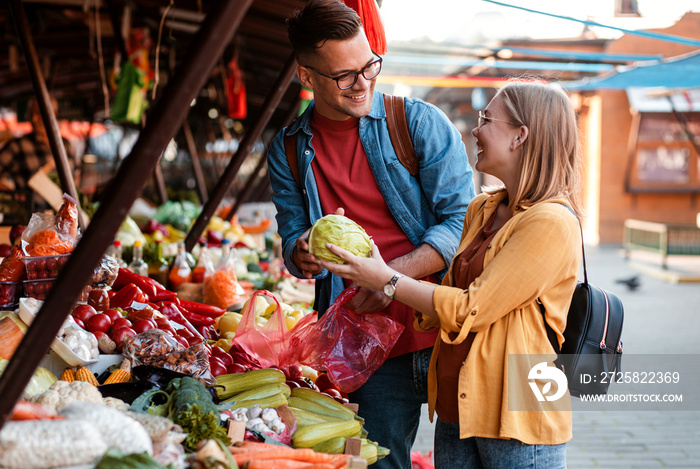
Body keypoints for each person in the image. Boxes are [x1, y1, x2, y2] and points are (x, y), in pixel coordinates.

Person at [319, 80, 583, 468]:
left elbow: (469, 307)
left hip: (517, 411)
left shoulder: (551, 222)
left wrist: (386, 280)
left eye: (486, 120)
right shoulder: (483, 208)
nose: (475, 130)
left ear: (520, 136)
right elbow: (450, 291)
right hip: (459, 402)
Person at [266, 0, 475, 467]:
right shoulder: (288, 149)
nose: (363, 84)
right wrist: (300, 253)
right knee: (380, 463)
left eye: (369, 66)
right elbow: (292, 234)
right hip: (367, 348)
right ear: (306, 77)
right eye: (344, 76)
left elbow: (462, 224)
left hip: (450, 331)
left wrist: (387, 278)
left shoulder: (418, 124)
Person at [0, 96, 75, 211]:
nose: (34, 119)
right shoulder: (17, 146)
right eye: (31, 114)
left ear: (53, 114)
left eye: (39, 113)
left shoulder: (66, 146)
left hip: (63, 220)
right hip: (30, 220)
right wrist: (12, 194)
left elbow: (76, 180)